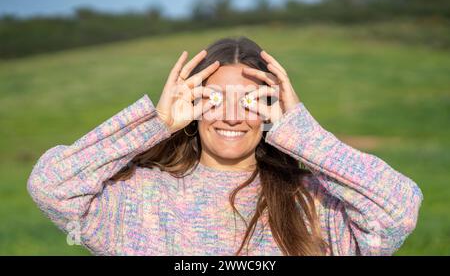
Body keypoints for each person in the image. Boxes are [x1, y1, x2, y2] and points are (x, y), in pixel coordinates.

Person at [27, 37, 423, 256]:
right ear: (191, 108)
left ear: (274, 111)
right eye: (214, 100)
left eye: (251, 101)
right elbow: (51, 186)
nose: (231, 117)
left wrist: (303, 134)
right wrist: (155, 124)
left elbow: (398, 212)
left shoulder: (316, 202)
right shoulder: (140, 198)